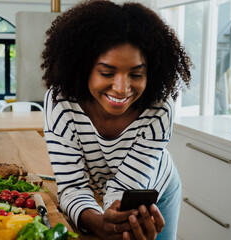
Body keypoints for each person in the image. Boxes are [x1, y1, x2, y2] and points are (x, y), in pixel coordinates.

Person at [41, 1, 192, 239]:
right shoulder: (61, 103)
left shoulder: (159, 109)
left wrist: (116, 218)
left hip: (154, 191)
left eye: (136, 74)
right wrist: (98, 221)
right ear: (83, 68)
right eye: (107, 73)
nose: (122, 89)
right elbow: (72, 187)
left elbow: (127, 188)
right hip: (96, 189)